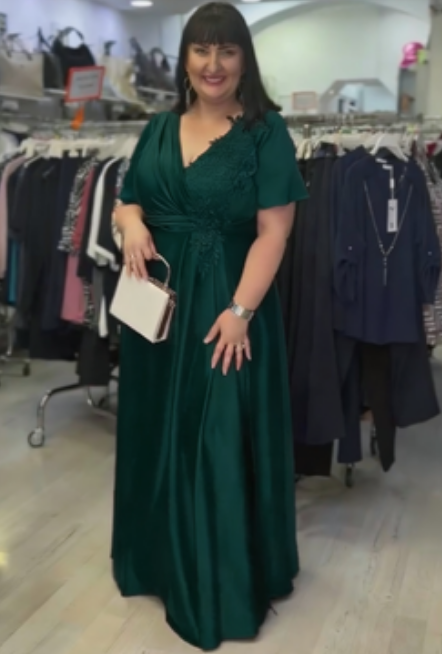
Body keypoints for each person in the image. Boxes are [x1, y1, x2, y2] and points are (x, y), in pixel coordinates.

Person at [111, 2, 308, 650]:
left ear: (244, 59)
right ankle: (158, 561)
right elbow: (129, 199)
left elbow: (274, 232)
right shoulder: (159, 128)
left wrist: (241, 311)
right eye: (202, 50)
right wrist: (130, 223)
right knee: (156, 431)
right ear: (185, 59)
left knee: (217, 435)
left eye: (227, 50)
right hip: (158, 313)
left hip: (227, 310)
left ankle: (220, 582)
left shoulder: (264, 133)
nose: (213, 64)